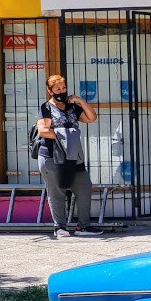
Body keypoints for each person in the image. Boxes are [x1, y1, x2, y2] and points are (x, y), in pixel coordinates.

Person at [36, 74, 103, 238]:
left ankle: (83, 226)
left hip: (73, 154)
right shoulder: (46, 107)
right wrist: (66, 135)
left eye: (63, 88)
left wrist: (79, 101)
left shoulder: (71, 107)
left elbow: (91, 117)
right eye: (57, 89)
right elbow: (43, 130)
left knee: (84, 186)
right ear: (50, 90)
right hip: (51, 156)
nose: (61, 91)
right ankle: (60, 227)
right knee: (56, 192)